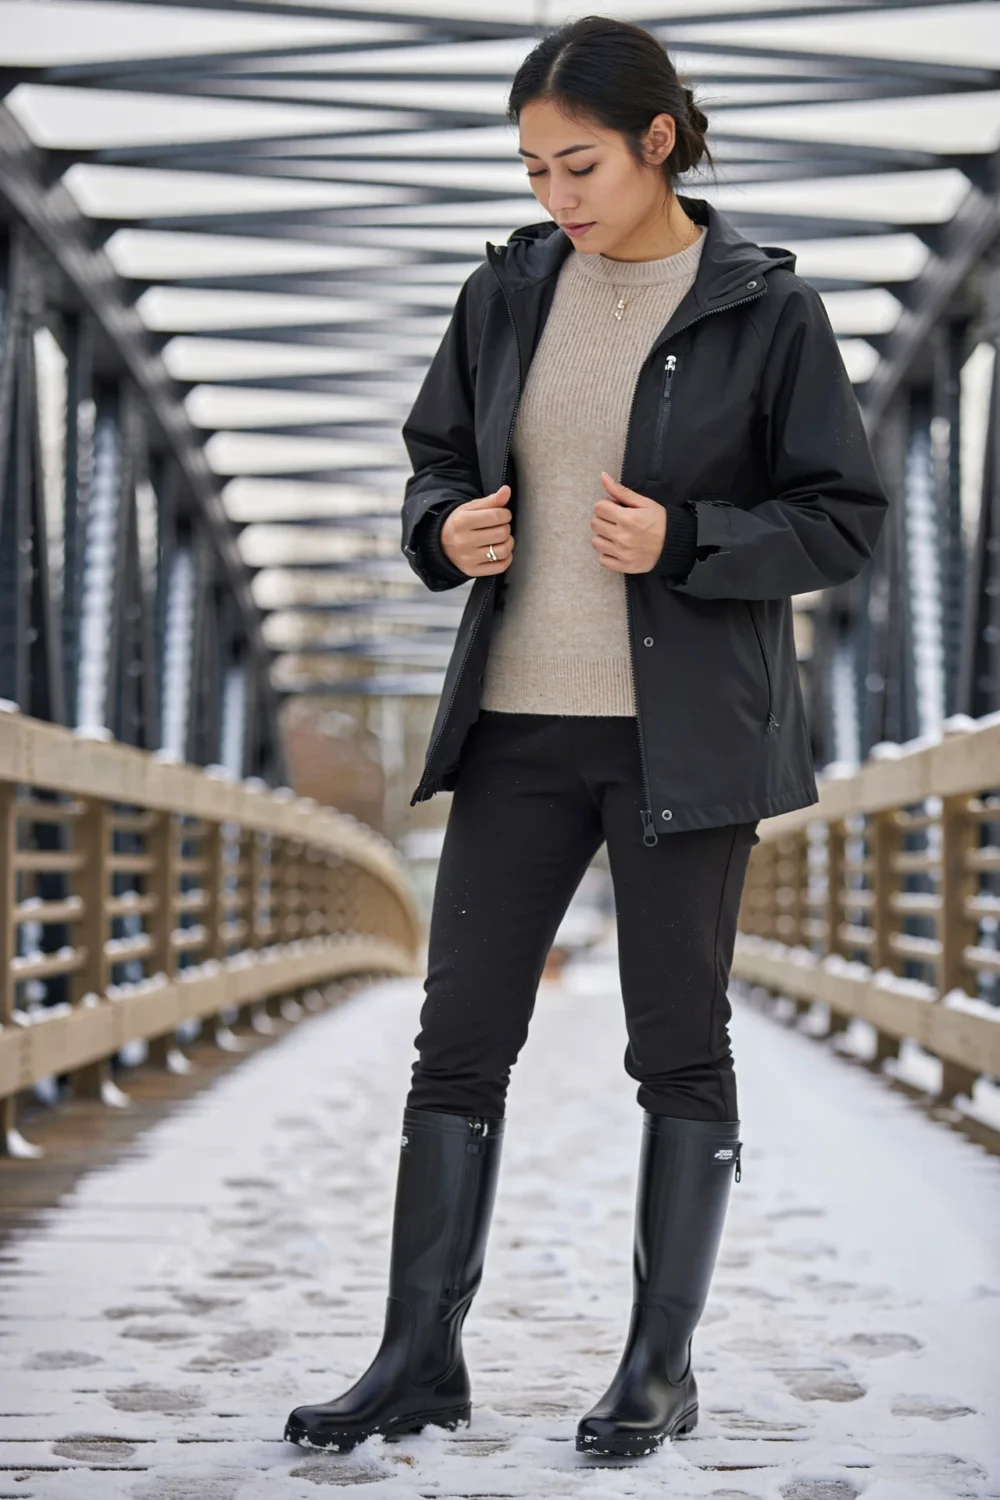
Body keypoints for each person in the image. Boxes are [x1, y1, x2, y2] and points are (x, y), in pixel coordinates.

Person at [285, 14, 888, 1461]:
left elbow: (842, 521)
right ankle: (417, 1359)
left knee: (676, 1052)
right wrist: (448, 526)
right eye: (535, 168)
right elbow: (435, 456)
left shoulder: (765, 311)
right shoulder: (507, 294)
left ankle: (657, 1374)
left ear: (658, 142)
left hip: (686, 746)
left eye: (579, 165)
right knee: (458, 1048)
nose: (555, 195)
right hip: (518, 730)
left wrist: (689, 536)